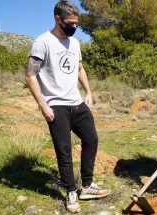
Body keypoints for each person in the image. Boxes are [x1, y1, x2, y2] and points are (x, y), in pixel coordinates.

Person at [25, 1, 110, 213]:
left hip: (76, 102)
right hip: (56, 105)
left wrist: (88, 92)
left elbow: (80, 68)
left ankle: (87, 186)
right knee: (64, 151)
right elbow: (30, 75)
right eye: (70, 23)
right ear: (57, 19)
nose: (74, 27)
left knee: (91, 139)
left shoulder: (74, 43)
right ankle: (71, 192)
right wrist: (43, 105)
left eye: (76, 23)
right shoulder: (42, 42)